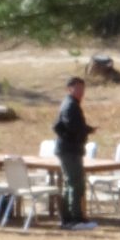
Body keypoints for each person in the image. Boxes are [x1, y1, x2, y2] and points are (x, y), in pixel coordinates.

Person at [53, 76, 97, 230]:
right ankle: (75, 218)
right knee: (76, 183)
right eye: (78, 88)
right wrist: (84, 131)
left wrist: (87, 129)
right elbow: (70, 127)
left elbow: (65, 126)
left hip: (70, 149)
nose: (81, 91)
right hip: (70, 150)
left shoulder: (71, 104)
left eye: (82, 88)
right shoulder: (70, 105)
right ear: (69, 89)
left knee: (71, 183)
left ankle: (68, 218)